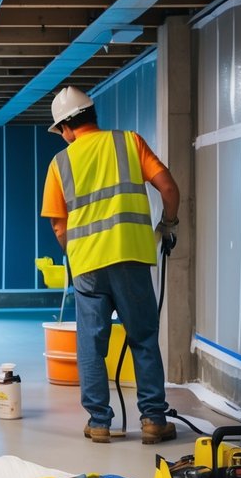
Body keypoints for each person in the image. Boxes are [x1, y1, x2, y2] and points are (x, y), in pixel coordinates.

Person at [40, 86, 180, 445]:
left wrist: (77, 251)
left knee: (91, 342)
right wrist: (168, 224)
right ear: (91, 115)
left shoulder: (61, 163)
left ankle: (99, 422)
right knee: (144, 337)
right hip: (131, 256)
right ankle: (152, 420)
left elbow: (58, 224)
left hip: (87, 265)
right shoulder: (130, 142)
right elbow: (168, 187)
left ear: (67, 127)